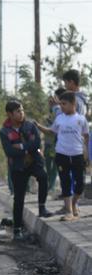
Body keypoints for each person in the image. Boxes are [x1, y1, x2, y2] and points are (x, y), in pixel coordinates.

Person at [0, 100, 52, 240]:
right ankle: (17, 230)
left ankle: (42, 207)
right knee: (19, 198)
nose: (21, 113)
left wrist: (22, 147)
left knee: (43, 176)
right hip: (17, 167)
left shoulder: (30, 125)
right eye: (18, 111)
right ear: (10, 114)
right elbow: (9, 151)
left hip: (34, 162)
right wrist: (26, 148)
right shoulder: (4, 131)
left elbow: (36, 144)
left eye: (22, 110)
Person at [37, 92, 89, 221]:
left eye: (64, 104)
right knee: (65, 183)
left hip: (77, 155)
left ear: (73, 104)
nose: (62, 107)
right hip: (61, 155)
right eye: (60, 104)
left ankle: (74, 202)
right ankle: (69, 212)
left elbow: (86, 137)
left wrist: (86, 154)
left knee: (80, 184)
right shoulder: (59, 118)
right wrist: (38, 126)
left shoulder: (81, 119)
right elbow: (51, 131)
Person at [44, 88, 67, 193]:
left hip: (56, 142)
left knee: (55, 166)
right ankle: (50, 184)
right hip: (48, 142)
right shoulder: (52, 110)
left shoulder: (60, 110)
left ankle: (51, 186)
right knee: (48, 164)